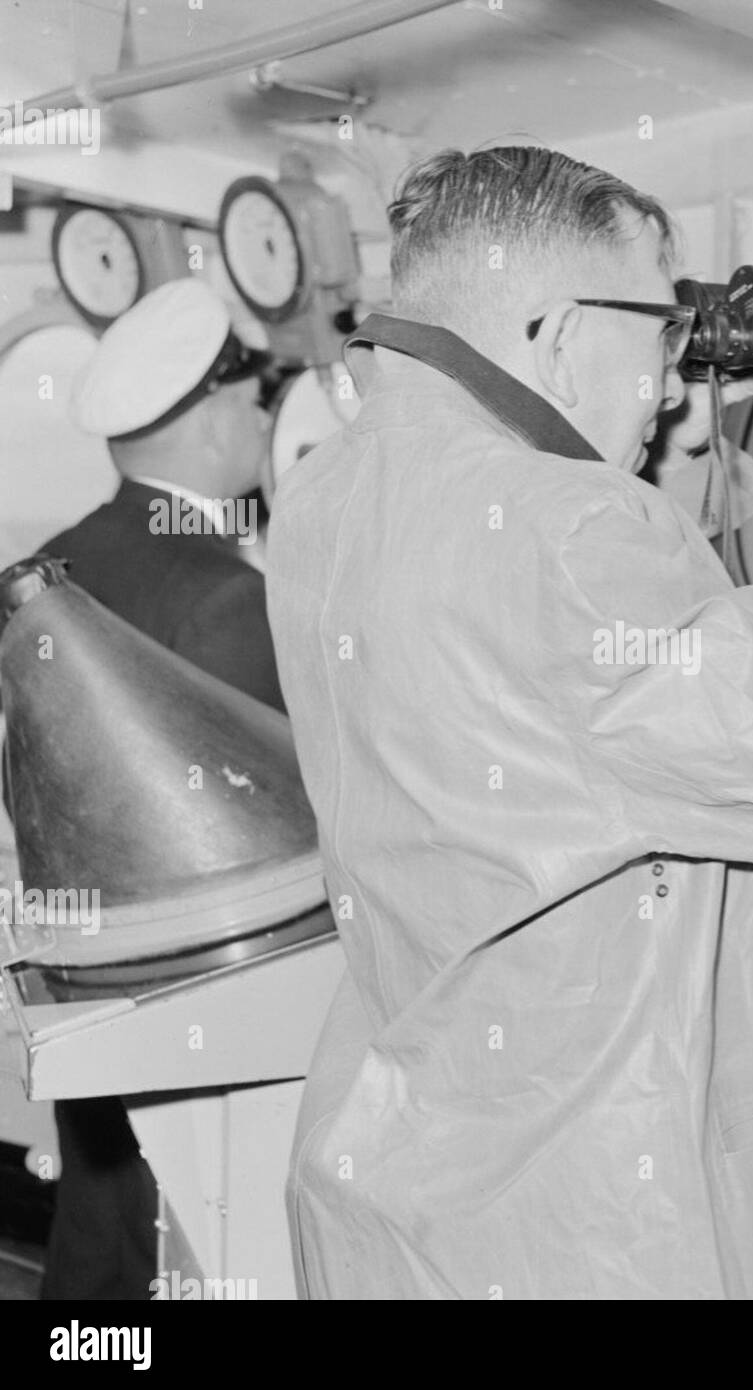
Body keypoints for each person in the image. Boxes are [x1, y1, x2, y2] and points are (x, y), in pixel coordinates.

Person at [267, 145, 753, 1299]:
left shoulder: (325, 502)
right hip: (623, 1223)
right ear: (555, 333)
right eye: (658, 337)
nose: (663, 386)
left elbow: (563, 704)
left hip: (435, 1194)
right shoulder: (573, 539)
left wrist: (659, 463)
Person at [37, 276, 283, 1299]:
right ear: (216, 412)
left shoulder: (55, 564)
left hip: (84, 979)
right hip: (215, 994)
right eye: (256, 399)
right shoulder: (222, 594)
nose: (266, 419)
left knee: (104, 1238)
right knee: (202, 1246)